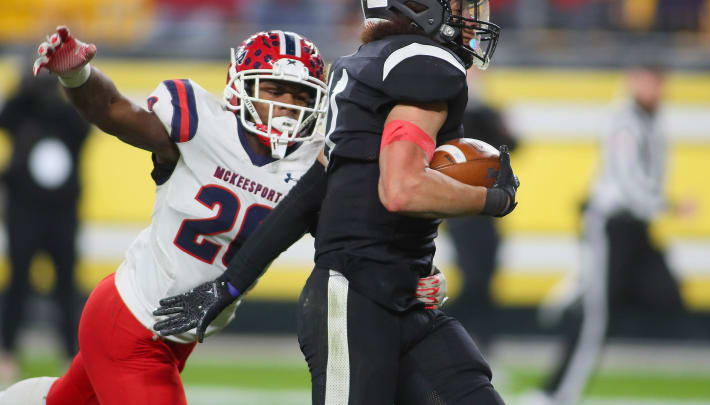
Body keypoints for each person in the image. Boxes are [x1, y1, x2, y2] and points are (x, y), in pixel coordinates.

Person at [154, 1, 520, 403]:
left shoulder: (368, 63)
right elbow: (401, 190)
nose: (473, 18)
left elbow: (313, 194)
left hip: (402, 295)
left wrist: (231, 283)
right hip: (357, 300)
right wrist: (494, 199)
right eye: (461, 5)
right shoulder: (426, 65)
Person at [0, 26, 330, 405]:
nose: (287, 104)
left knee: (64, 401)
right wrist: (77, 74)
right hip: (131, 321)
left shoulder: (313, 164)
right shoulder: (203, 126)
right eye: (274, 90)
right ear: (242, 86)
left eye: (301, 95)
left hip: (175, 334)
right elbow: (112, 109)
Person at [520, 64, 687, 405]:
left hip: (636, 227)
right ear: (633, 81)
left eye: (658, 82)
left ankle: (581, 288)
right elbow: (627, 180)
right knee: (596, 322)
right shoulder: (623, 120)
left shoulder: (653, 120)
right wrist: (664, 205)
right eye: (647, 81)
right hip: (611, 223)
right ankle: (556, 394)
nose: (653, 89)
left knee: (665, 293)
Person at [0, 72, 91, 384]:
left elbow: (87, 126)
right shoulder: (20, 112)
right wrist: (24, 85)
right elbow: (6, 115)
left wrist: (68, 87)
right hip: (25, 212)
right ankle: (7, 351)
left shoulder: (67, 117)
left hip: (61, 214)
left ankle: (72, 354)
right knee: (18, 284)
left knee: (66, 286)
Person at [443, 104, 519, 350]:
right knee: (474, 281)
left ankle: (480, 343)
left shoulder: (486, 113)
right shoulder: (452, 112)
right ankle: (445, 330)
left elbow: (512, 145)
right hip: (463, 211)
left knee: (485, 281)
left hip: (485, 210)